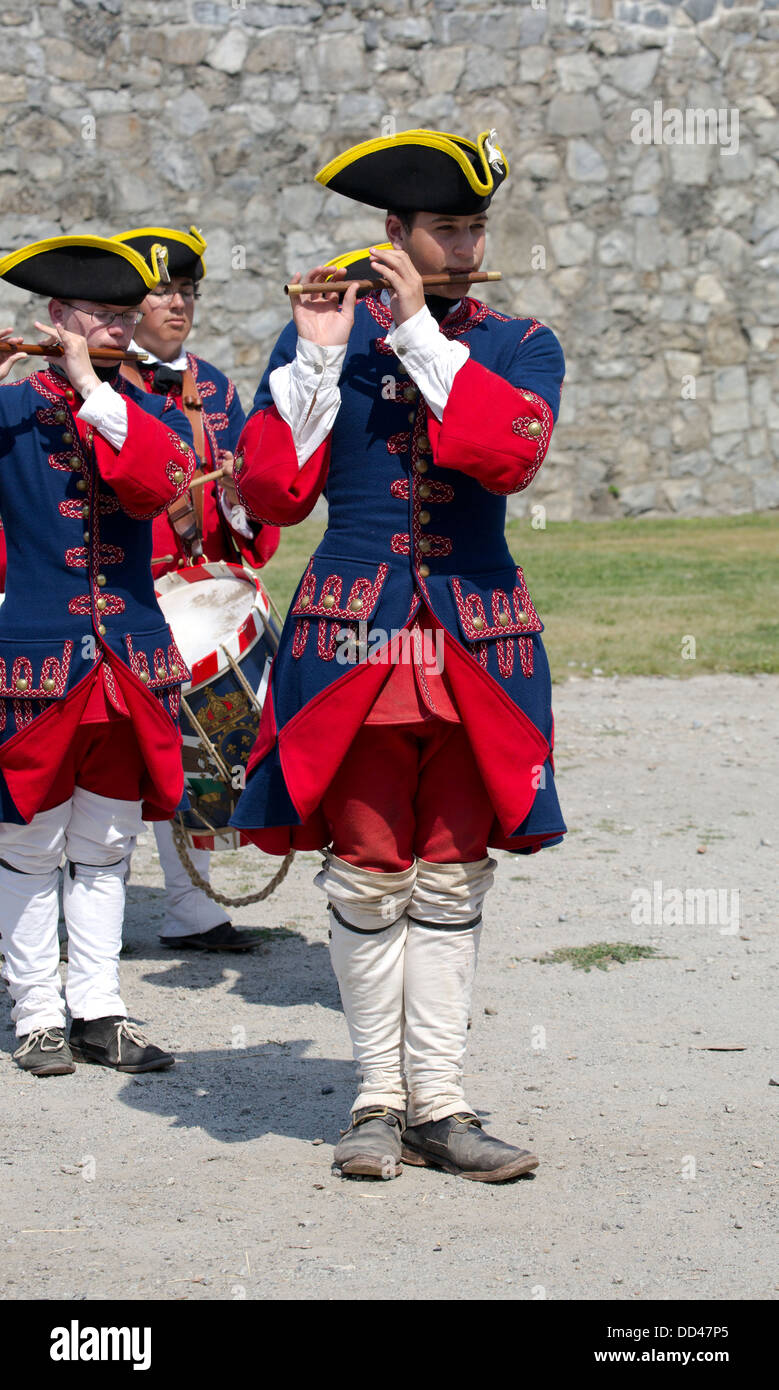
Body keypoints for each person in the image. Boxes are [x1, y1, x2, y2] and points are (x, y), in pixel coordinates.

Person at [230, 128, 567, 1182]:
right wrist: (320, 355)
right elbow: (276, 494)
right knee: (371, 869)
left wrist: (420, 331)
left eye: (474, 227)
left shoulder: (520, 343)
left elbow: (500, 454)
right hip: (350, 640)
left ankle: (445, 1102)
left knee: (453, 876)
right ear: (393, 232)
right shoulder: (317, 338)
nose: (465, 245)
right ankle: (377, 1099)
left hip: (476, 640)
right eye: (444, 228)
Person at [0, 234, 199, 1077]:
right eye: (96, 316)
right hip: (37, 656)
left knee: (107, 838)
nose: (115, 329)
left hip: (132, 657)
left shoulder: (147, 409)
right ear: (54, 316)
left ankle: (100, 1007)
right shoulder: (8, 410)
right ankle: (38, 1011)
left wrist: (91, 385)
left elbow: (155, 486)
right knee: (29, 838)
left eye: (125, 316)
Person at [114, 225, 280, 953]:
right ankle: (90, 913)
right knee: (117, 759)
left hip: (197, 602)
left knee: (202, 751)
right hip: (122, 595)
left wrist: (243, 501)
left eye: (187, 291)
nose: (178, 303)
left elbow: (250, 495)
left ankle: (191, 909)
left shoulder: (212, 385)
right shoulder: (102, 383)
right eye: (162, 290)